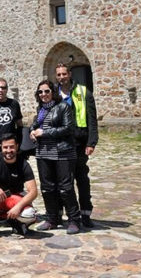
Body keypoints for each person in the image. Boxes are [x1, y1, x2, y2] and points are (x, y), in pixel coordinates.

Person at [29, 80, 81, 234]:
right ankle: (53, 218)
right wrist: (33, 130)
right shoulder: (41, 109)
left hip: (62, 152)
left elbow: (68, 128)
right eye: (40, 92)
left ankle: (74, 220)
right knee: (47, 188)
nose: (43, 94)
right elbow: (37, 124)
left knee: (66, 188)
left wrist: (45, 133)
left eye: (46, 91)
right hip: (43, 152)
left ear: (53, 92)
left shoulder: (63, 107)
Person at [55, 63, 98, 228]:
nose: (61, 77)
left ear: (70, 74)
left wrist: (91, 142)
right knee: (62, 180)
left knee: (81, 179)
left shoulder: (83, 92)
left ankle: (85, 213)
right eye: (58, 75)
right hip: (60, 142)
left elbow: (91, 119)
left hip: (79, 142)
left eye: (64, 74)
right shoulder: (53, 93)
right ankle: (61, 213)